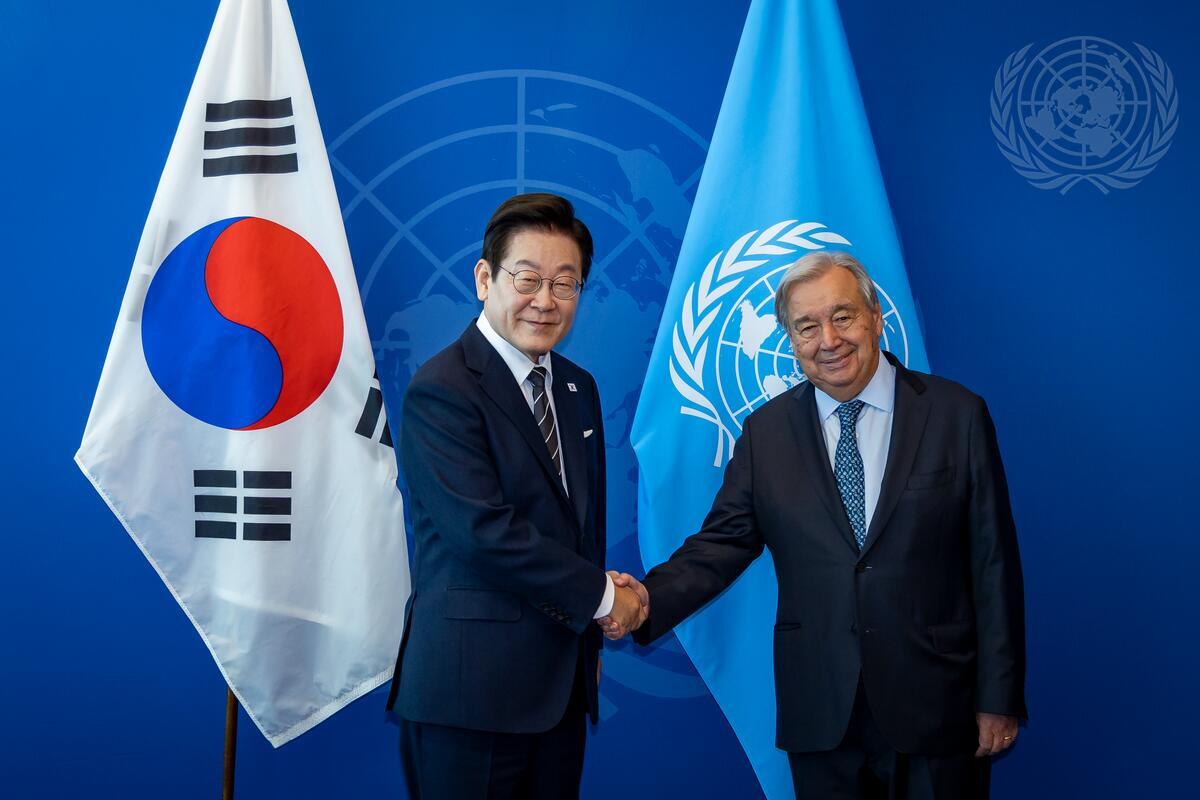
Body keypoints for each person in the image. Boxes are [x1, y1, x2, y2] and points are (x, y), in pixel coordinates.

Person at [606, 251, 1026, 799]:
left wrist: (998, 696)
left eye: (843, 316)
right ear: (791, 339)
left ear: (876, 317)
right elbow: (721, 544)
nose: (829, 340)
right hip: (823, 714)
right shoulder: (766, 434)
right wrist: (645, 599)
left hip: (938, 707)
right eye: (807, 326)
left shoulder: (956, 414)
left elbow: (993, 563)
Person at [386, 193, 646, 799]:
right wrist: (606, 598)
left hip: (560, 693)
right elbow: (485, 535)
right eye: (527, 279)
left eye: (565, 283)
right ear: (485, 279)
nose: (545, 300)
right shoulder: (442, 388)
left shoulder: (578, 387)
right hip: (470, 698)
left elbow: (581, 530)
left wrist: (587, 634)